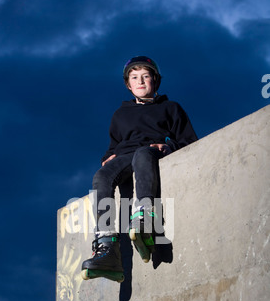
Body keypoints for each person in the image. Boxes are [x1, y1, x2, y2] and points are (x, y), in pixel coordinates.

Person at [81, 56, 198, 282]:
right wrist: (108, 158)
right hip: (125, 155)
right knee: (101, 175)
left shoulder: (171, 108)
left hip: (151, 150)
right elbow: (113, 146)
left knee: (143, 154)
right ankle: (107, 246)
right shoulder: (120, 115)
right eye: (135, 78)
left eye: (146, 76)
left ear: (155, 80)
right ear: (128, 84)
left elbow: (190, 140)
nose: (141, 81)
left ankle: (144, 216)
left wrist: (168, 146)